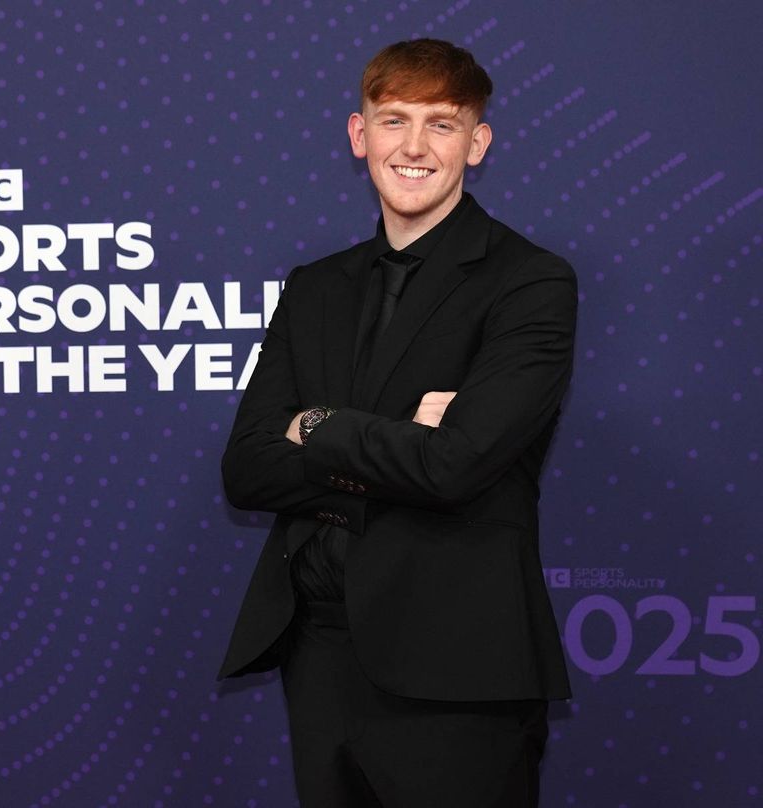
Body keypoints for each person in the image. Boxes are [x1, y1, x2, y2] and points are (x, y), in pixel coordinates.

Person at [219, 39, 575, 807]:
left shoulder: (530, 282)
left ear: (477, 143)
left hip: (456, 666)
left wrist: (312, 425)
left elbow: (454, 466)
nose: (414, 147)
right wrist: (397, 435)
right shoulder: (315, 287)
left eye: (441, 124)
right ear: (360, 135)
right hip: (317, 652)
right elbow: (246, 467)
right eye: (394, 120)